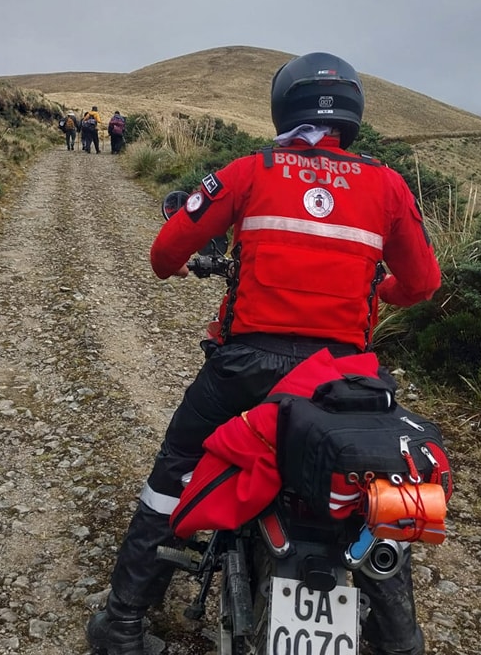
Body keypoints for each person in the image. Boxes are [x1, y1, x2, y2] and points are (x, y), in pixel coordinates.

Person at [86, 52, 442, 655]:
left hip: (244, 369)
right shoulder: (386, 185)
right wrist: (381, 288)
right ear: (352, 116)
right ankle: (399, 642)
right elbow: (423, 284)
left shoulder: (250, 170)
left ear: (284, 106)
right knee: (372, 491)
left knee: (175, 471)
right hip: (340, 382)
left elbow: (164, 255)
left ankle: (123, 623)